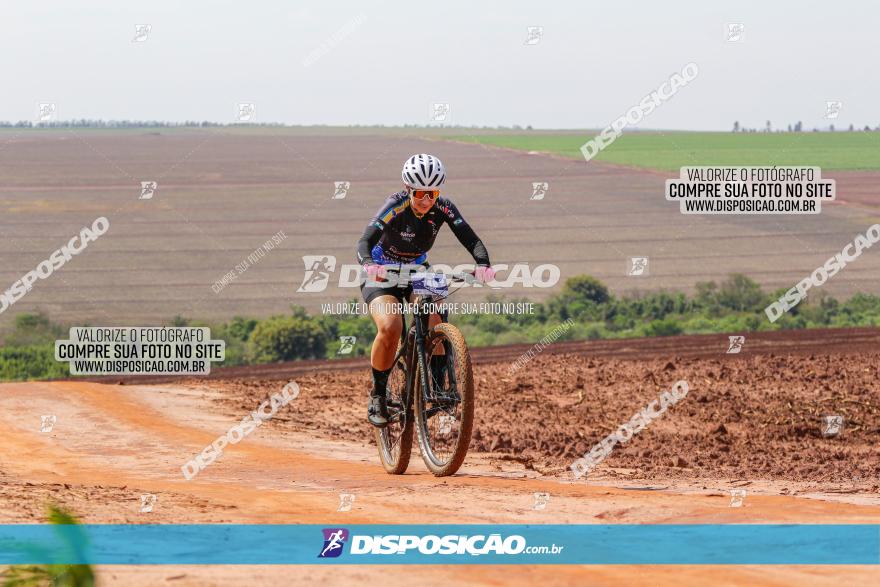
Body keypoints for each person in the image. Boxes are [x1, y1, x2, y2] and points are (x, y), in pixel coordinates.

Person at [356, 154, 494, 427]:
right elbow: (365, 240)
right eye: (420, 193)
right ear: (409, 189)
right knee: (391, 326)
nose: (426, 199)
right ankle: (378, 396)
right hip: (382, 271)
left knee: (436, 316)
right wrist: (369, 263)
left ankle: (439, 384)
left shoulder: (443, 207)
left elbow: (470, 237)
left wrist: (483, 264)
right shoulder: (394, 205)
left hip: (418, 268)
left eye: (432, 193)